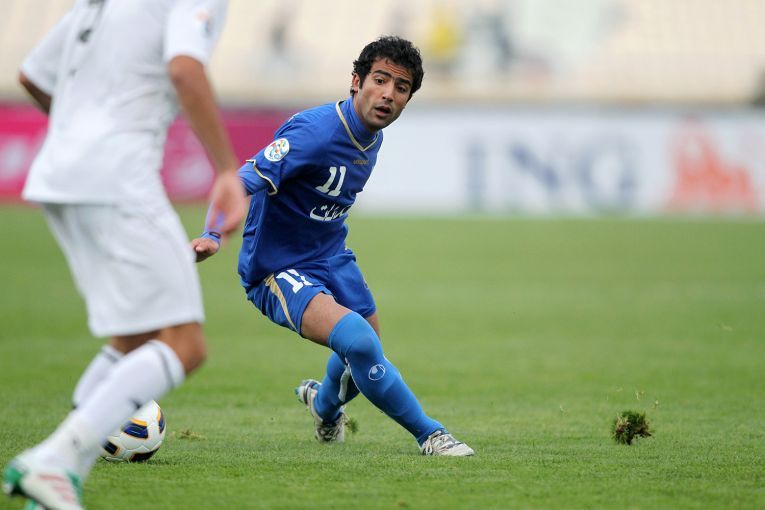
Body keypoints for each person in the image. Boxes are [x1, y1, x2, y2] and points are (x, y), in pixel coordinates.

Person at [3, 1, 247, 508]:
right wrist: (226, 169)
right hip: (119, 176)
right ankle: (54, 459)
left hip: (59, 174)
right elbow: (184, 68)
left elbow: (32, 76)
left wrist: (82, 133)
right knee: (184, 343)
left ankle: (52, 485)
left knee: (133, 338)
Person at [192, 35, 474, 457]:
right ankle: (431, 435)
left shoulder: (372, 136)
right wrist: (213, 233)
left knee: (365, 346)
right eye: (380, 80)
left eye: (401, 88)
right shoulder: (316, 131)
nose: (388, 94)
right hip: (276, 267)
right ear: (356, 81)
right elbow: (244, 178)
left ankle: (324, 408)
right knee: (359, 342)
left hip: (330, 255)